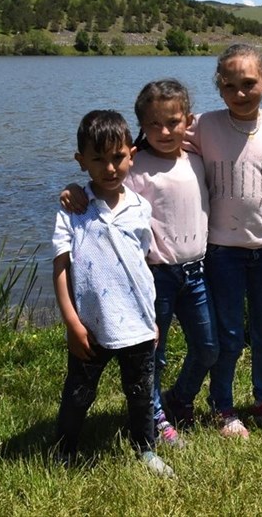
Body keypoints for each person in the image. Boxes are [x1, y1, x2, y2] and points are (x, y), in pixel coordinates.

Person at [59, 80, 218, 449]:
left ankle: (180, 398)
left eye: (173, 122)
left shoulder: (197, 158)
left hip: (197, 272)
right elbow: (101, 177)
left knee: (208, 347)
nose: (165, 131)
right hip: (157, 274)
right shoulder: (134, 166)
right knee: (153, 356)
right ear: (142, 128)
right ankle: (156, 416)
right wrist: (72, 190)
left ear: (188, 121)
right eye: (154, 124)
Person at [185, 43, 262, 439]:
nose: (239, 93)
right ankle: (223, 406)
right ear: (219, 88)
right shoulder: (204, 125)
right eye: (229, 85)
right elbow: (157, 141)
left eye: (249, 83)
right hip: (223, 252)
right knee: (229, 334)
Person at [51, 109, 173, 478]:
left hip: (137, 322)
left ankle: (145, 449)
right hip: (91, 324)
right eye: (98, 159)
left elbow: (142, 267)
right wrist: (72, 323)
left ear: (131, 155)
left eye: (117, 157)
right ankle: (64, 449)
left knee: (140, 393)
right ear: (81, 161)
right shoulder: (74, 208)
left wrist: (152, 320)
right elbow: (60, 268)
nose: (109, 168)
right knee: (79, 392)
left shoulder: (140, 208)